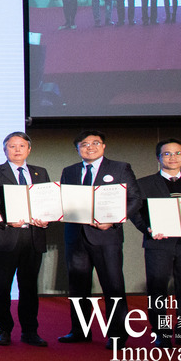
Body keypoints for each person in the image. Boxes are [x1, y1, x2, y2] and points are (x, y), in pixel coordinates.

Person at [57, 130, 142, 349]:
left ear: (103, 146)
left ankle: (117, 335)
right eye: (84, 144)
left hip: (107, 237)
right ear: (77, 149)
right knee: (77, 289)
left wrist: (114, 221)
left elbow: (135, 200)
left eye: (95, 143)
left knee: (113, 287)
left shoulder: (120, 168)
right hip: (75, 237)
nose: (90, 147)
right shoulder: (69, 171)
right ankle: (80, 331)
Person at [131, 138, 181, 350]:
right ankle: (161, 333)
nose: (172, 157)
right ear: (158, 158)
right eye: (167, 154)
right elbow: (134, 212)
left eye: (177, 153)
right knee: (158, 290)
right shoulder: (144, 183)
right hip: (159, 243)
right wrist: (147, 229)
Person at [0, 132, 50, 347]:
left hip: (33, 237)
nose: (17, 150)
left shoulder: (40, 172)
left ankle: (30, 330)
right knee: (2, 286)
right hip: (6, 237)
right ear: (5, 149)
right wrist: (7, 220)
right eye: (12, 146)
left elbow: (47, 202)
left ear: (29, 149)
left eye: (21, 146)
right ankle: (4, 329)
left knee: (29, 288)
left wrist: (47, 219)